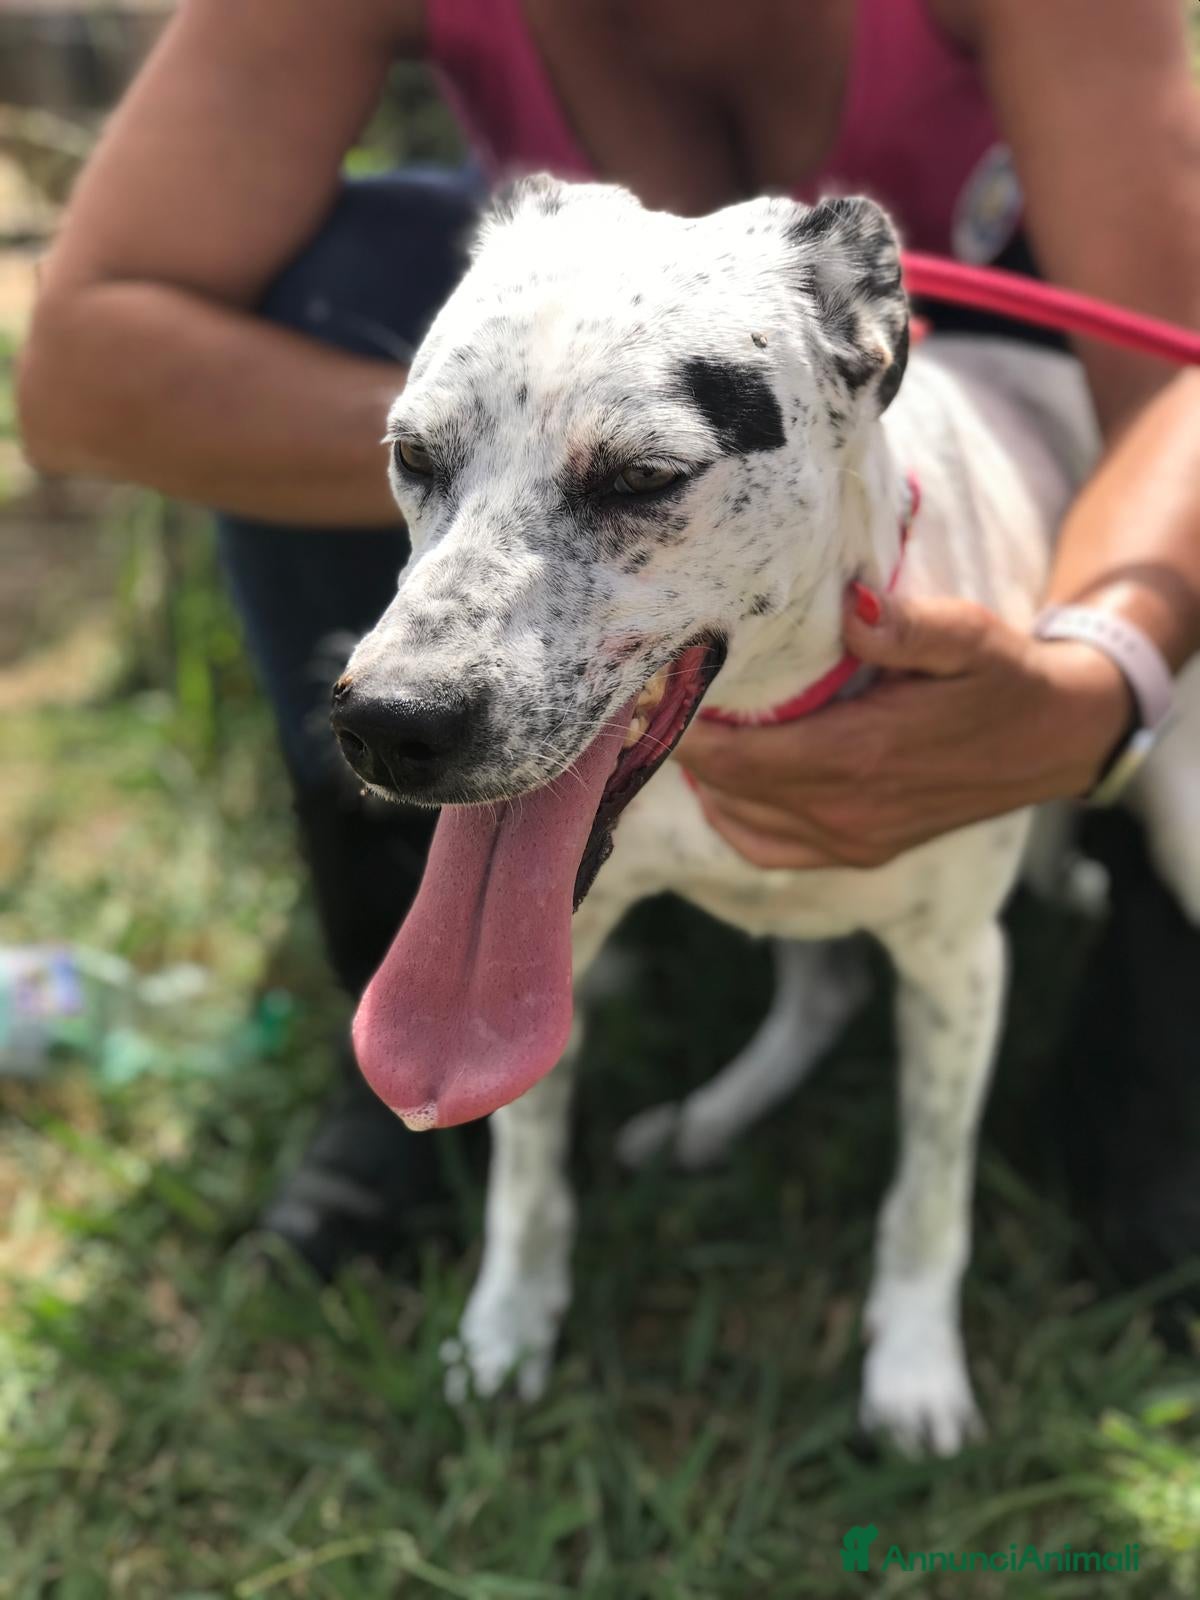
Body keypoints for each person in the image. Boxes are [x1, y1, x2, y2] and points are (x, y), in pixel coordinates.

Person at [17, 0, 1200, 1281]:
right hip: (612, 370)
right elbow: (80, 376)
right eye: (418, 458)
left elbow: (1184, 384)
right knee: (335, 278)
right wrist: (517, 443)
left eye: (633, 478)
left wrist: (1098, 680)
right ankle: (407, 995)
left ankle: (1151, 1004)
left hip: (1015, 379)